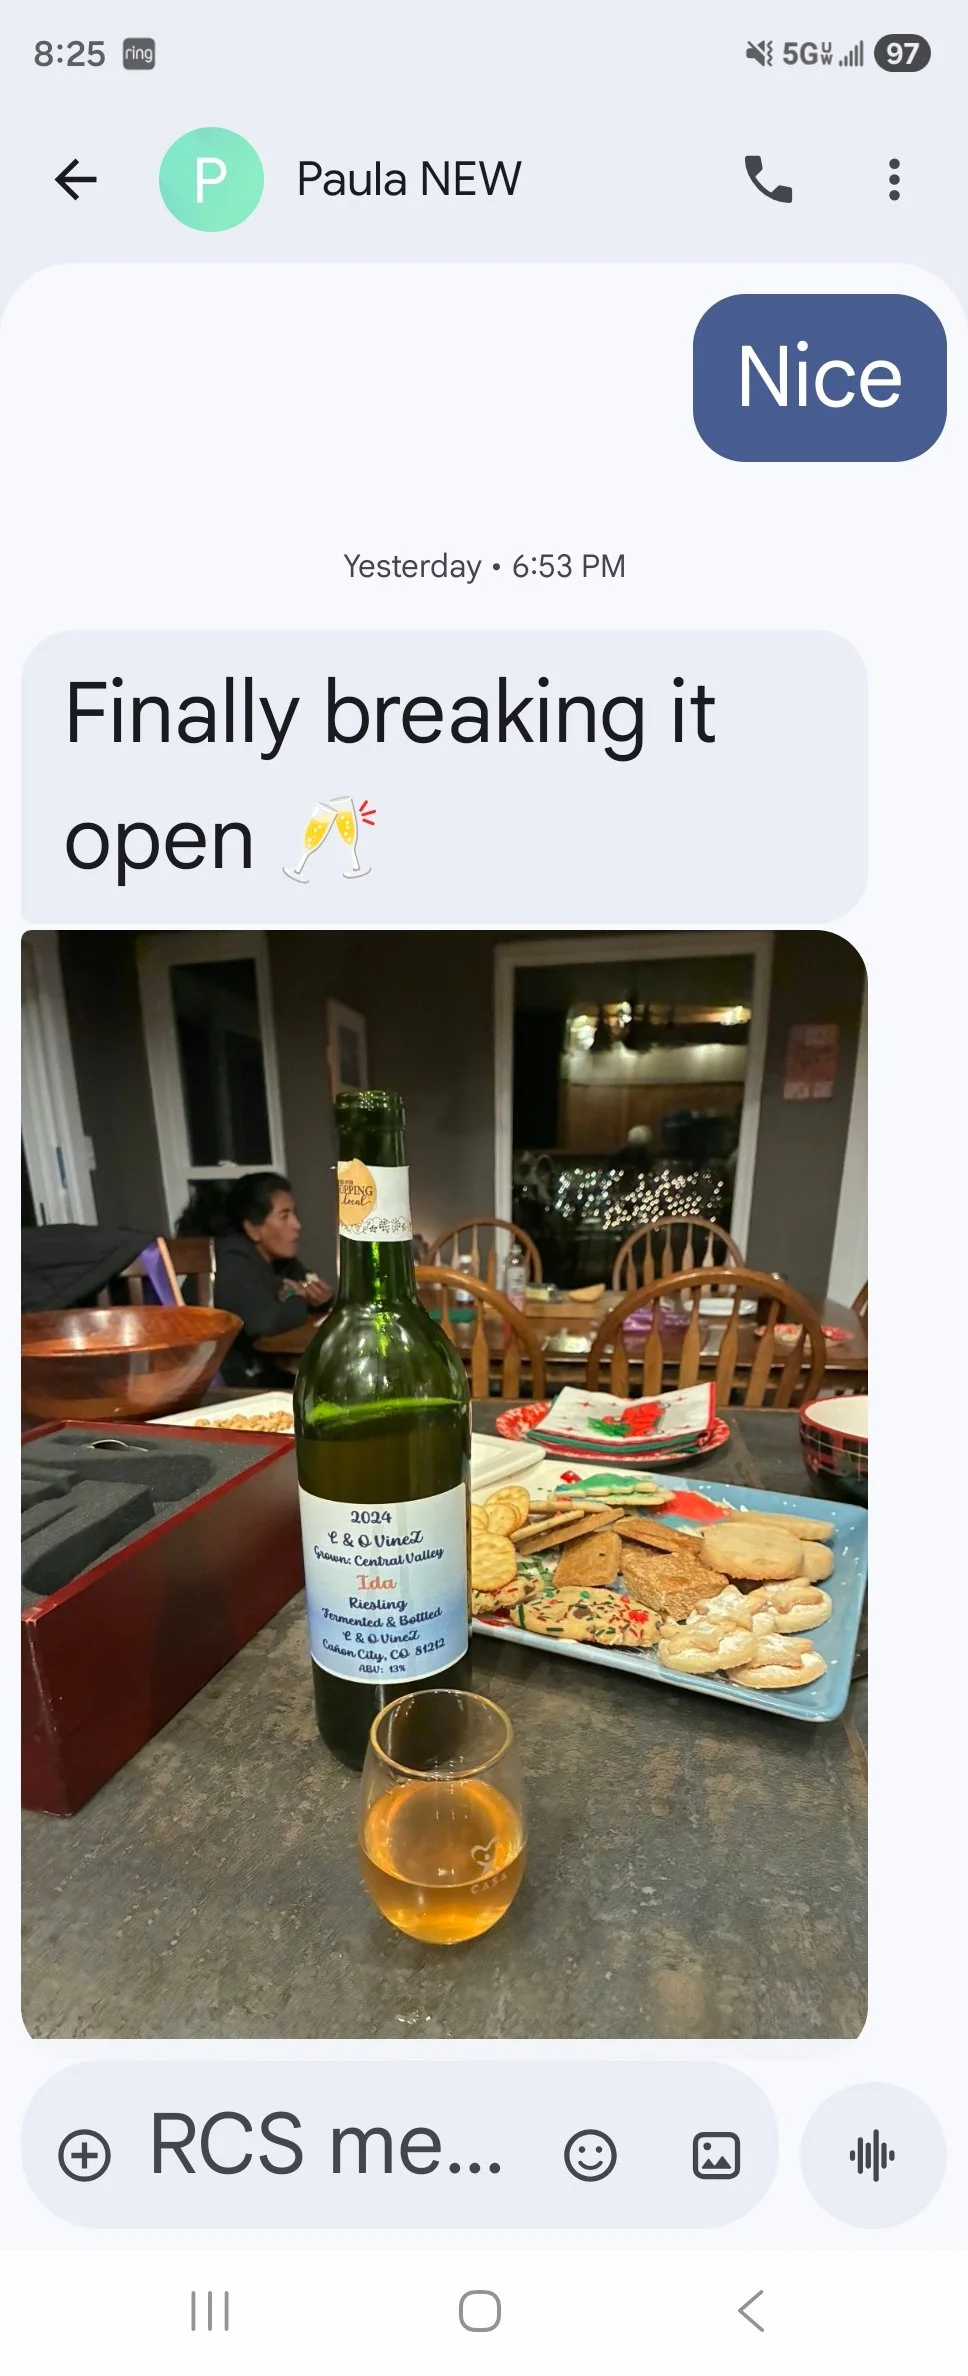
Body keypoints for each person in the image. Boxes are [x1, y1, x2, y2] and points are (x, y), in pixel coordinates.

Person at [176, 1172, 332, 1388]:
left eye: (294, 1214)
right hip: (217, 1380)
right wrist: (297, 1298)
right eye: (284, 1216)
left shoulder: (279, 1258)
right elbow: (264, 1323)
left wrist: (321, 1299)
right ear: (252, 1228)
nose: (297, 1225)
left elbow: (304, 1289)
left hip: (258, 1368)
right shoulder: (231, 1260)